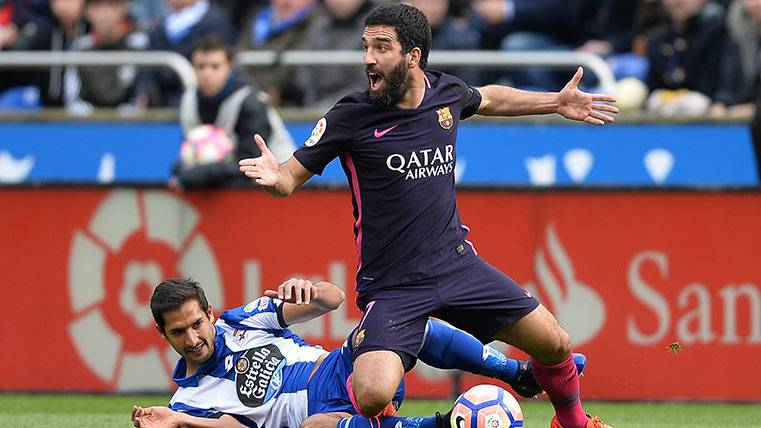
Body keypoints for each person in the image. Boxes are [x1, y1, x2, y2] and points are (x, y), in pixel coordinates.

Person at [239, 4, 617, 428]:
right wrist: (276, 178)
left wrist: (556, 101)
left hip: (457, 266)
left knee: (557, 344)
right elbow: (290, 178)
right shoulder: (350, 116)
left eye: (381, 47)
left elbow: (491, 97)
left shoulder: (446, 94)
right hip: (392, 286)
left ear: (413, 56)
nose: (368, 58)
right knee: (371, 396)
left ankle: (575, 423)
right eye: (366, 47)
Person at [131, 277, 587, 427]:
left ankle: (518, 374)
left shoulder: (241, 320)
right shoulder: (185, 402)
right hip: (324, 418)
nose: (192, 338)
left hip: (344, 369)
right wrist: (182, 421)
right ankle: (441, 425)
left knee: (396, 320)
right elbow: (233, 426)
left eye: (196, 323)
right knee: (313, 427)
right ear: (163, 335)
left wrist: (307, 289)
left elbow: (333, 299)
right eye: (178, 333)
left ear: (210, 313)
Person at [171, 34, 294, 190]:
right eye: (200, 66)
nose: (207, 74)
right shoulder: (189, 100)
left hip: (276, 185)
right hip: (225, 179)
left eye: (215, 66)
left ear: (230, 67)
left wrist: (203, 173)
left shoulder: (251, 102)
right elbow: (190, 150)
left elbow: (252, 162)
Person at [64, 0, 149, 116]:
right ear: (86, 12)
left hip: (131, 127)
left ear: (124, 7)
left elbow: (144, 95)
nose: (105, 14)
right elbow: (73, 100)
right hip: (89, 126)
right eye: (97, 7)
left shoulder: (141, 43)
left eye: (111, 5)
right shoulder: (80, 48)